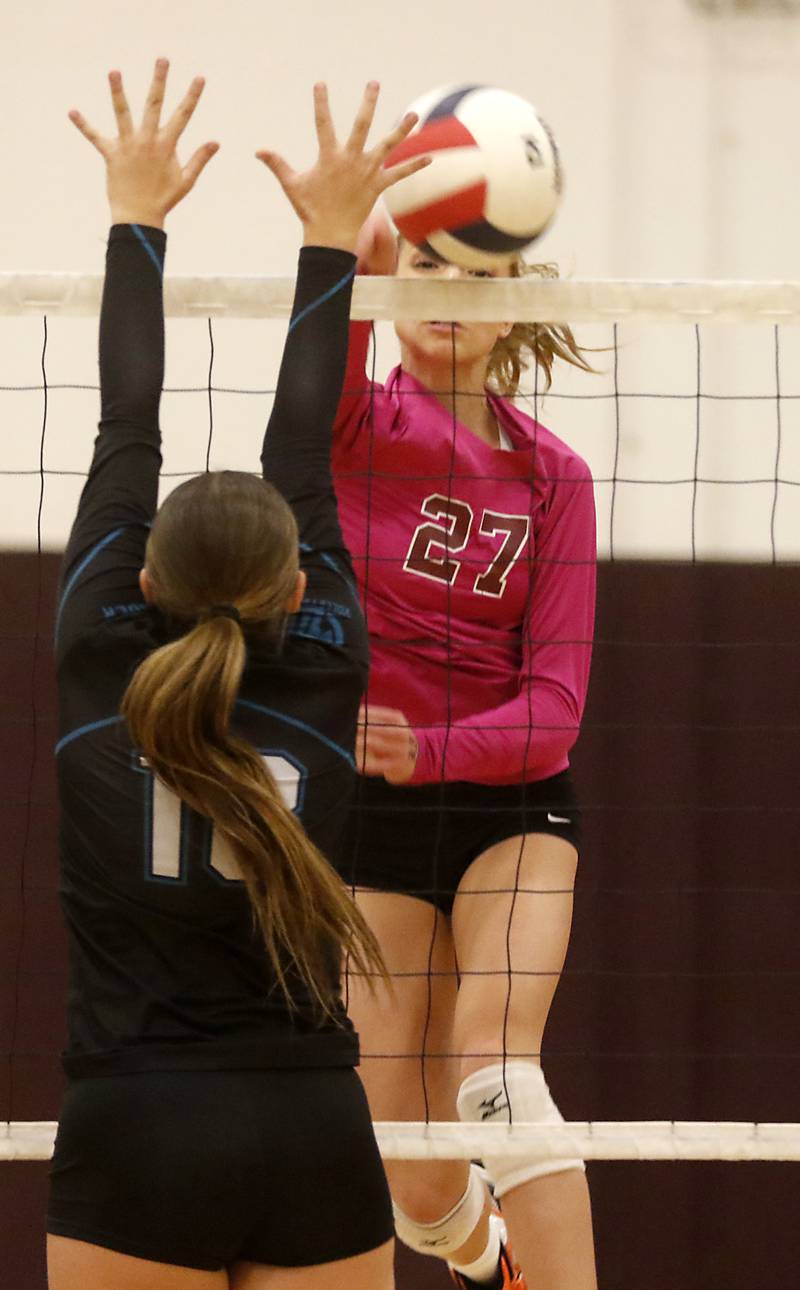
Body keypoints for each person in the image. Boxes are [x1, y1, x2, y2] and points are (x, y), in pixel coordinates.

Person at [46, 61, 428, 1290]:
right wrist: (333, 240)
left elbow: (126, 419)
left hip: (138, 1128)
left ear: (141, 580)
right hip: (312, 1130)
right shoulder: (326, 663)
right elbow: (300, 446)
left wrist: (134, 213)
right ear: (290, 590)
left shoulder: (102, 648)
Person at [331, 208, 599, 1289]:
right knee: (406, 1162)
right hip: (373, 818)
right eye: (423, 271)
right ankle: (491, 1260)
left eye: (473, 276)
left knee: (492, 1077)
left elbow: (555, 707)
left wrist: (430, 749)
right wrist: (379, 211)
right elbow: (337, 298)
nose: (443, 293)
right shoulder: (350, 428)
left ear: (509, 307)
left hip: (511, 804)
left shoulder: (554, 478)